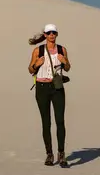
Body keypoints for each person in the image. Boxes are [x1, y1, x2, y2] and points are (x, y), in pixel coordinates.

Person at [27, 23, 71, 167]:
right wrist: (37, 64)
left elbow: (68, 68)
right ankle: (49, 154)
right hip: (42, 87)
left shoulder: (61, 49)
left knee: (60, 121)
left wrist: (65, 62)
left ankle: (62, 154)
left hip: (57, 88)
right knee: (46, 122)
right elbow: (30, 69)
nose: (52, 35)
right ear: (45, 35)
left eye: (54, 33)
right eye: (49, 33)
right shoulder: (38, 51)